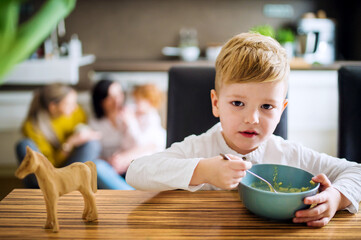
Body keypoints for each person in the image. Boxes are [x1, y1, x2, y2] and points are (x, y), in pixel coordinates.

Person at [126, 32, 361, 227]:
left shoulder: (290, 155)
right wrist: (203, 170)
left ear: (281, 111)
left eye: (267, 106)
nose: (252, 119)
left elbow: (356, 171)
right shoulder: (199, 147)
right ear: (216, 103)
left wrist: (336, 197)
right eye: (238, 103)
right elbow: (136, 172)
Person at [15, 83, 133, 190]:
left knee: (92, 144)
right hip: (48, 174)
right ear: (53, 107)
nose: (76, 107)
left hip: (69, 169)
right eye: (70, 104)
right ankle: (49, 188)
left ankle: (63, 186)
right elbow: (50, 165)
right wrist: (70, 143)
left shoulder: (77, 113)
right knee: (23, 145)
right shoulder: (33, 126)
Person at [90, 80, 165, 177]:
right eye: (110, 97)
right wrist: (113, 159)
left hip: (135, 162)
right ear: (101, 101)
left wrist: (126, 157)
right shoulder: (95, 123)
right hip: (115, 163)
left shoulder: (141, 115)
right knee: (99, 168)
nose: (116, 101)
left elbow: (152, 143)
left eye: (119, 94)